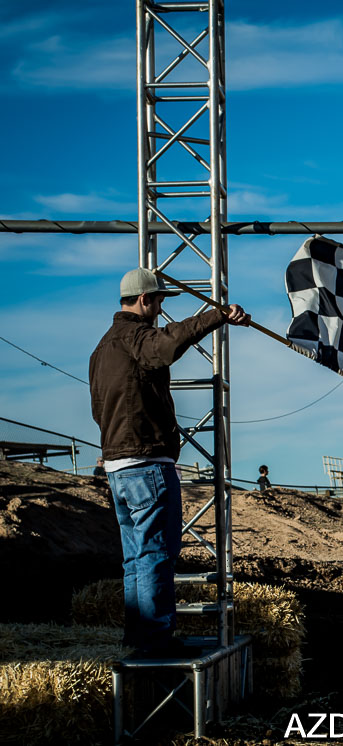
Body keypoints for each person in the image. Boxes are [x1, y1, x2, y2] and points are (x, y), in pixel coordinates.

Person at [89, 267, 251, 658]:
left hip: (117, 466)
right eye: (159, 301)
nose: (161, 310)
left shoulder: (101, 349)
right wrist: (218, 316)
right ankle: (156, 641)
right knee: (155, 555)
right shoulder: (136, 337)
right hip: (146, 463)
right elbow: (166, 345)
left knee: (135, 558)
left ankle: (137, 639)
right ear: (145, 299)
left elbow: (97, 409)